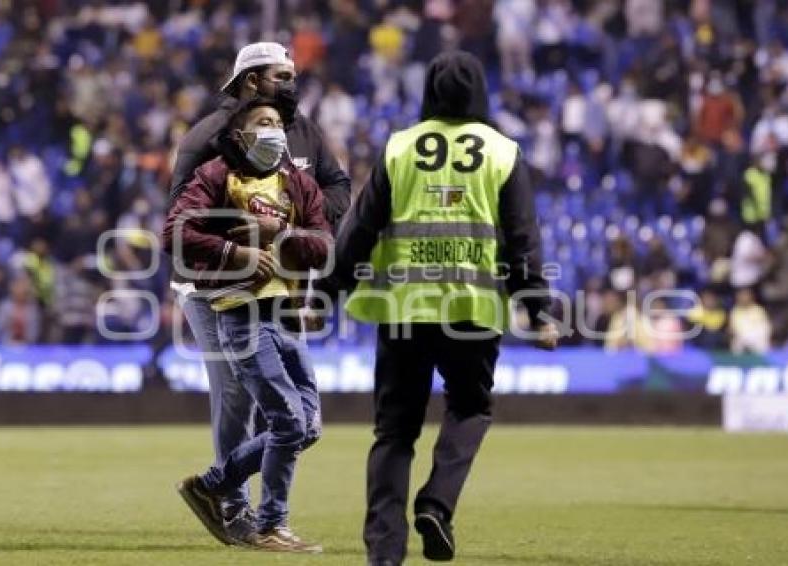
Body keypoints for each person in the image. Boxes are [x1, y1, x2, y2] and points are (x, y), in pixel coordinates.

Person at [318, 51, 558, 565]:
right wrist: (537, 310)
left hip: (403, 308)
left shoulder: (400, 148)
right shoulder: (501, 151)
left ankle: (384, 552)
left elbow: (358, 230)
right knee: (470, 409)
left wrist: (324, 295)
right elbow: (522, 239)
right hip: (472, 311)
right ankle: (437, 503)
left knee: (393, 433)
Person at [166, 41, 350, 544]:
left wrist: (293, 228)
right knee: (236, 396)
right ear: (251, 80)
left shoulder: (304, 132)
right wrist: (242, 242)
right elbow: (181, 218)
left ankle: (221, 487)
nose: (292, 84)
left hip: (282, 285)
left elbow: (338, 189)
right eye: (281, 76)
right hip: (215, 290)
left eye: (292, 75)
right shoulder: (210, 137)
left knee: (295, 413)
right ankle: (233, 506)